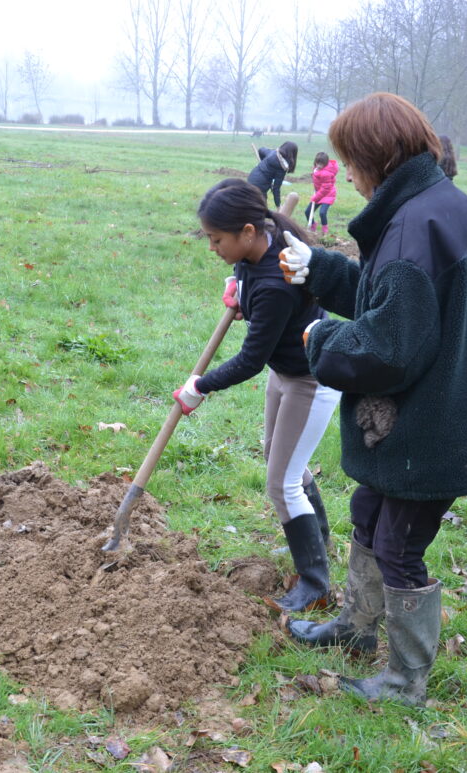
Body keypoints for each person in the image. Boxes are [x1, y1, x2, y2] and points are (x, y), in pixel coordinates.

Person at [278, 92, 467, 706]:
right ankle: (356, 630)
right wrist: (322, 270)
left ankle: (406, 678)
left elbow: (389, 348)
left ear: (373, 158)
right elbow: (392, 297)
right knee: (368, 512)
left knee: (399, 545)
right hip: (438, 407)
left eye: (348, 162)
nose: (345, 175)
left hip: (436, 426)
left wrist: (320, 335)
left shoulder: (414, 224)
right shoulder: (428, 204)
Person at [174, 178, 343, 614]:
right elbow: (251, 280)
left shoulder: (275, 281)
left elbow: (249, 360)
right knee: (279, 459)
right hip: (285, 371)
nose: (212, 247)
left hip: (311, 378)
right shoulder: (258, 254)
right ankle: (319, 540)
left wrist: (200, 386)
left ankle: (315, 582)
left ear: (247, 232)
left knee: (281, 482)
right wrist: (238, 287)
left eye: (217, 239)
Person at [248, 141, 299, 208]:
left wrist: (263, 162)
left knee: (254, 205)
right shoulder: (282, 166)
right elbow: (276, 188)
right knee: (261, 208)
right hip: (260, 186)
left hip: (252, 177)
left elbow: (261, 150)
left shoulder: (273, 152)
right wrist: (278, 205)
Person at [304, 152, 338, 237]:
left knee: (322, 212)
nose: (319, 165)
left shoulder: (326, 173)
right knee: (307, 211)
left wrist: (315, 197)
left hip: (328, 194)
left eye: (321, 164)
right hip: (319, 193)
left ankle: (325, 230)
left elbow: (326, 189)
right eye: (317, 163)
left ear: (325, 163)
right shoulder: (316, 169)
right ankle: (313, 225)